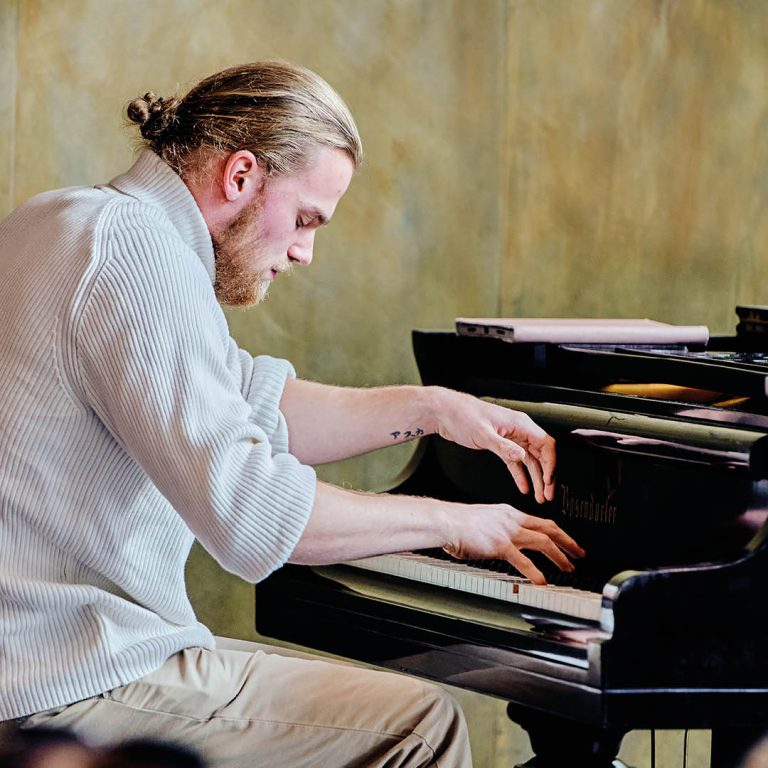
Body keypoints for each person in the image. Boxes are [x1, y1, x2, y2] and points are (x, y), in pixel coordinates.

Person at [0, 61, 584, 767]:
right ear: (241, 175)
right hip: (55, 680)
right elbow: (253, 515)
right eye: (306, 219)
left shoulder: (63, 219)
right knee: (419, 727)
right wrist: (454, 523)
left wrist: (432, 408)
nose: (305, 252)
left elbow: (247, 400)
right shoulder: (138, 253)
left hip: (34, 657)